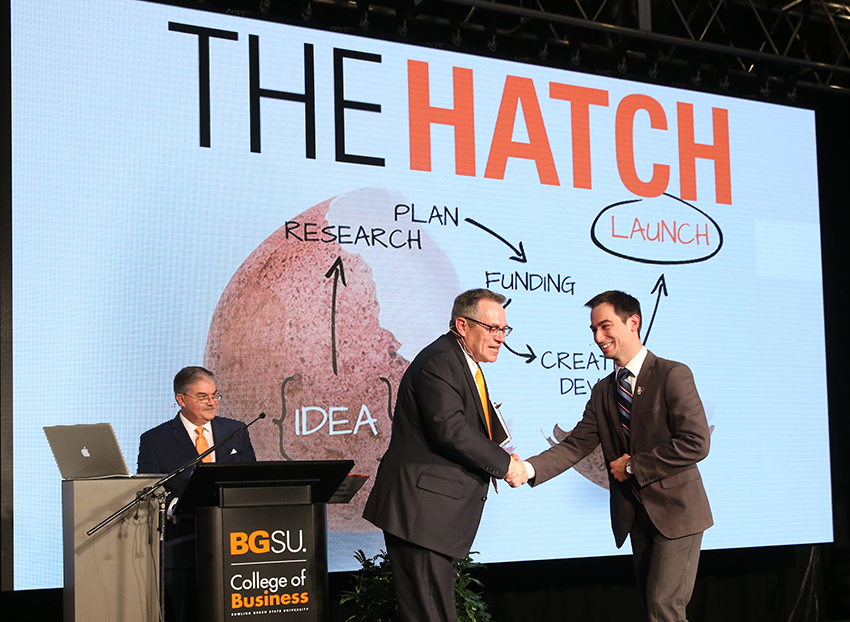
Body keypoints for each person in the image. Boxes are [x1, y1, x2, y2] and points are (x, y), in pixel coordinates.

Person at [507, 290, 712, 622]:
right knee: (654, 609)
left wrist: (632, 465)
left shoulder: (672, 374)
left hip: (678, 513)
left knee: (663, 609)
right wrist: (527, 469)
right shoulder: (604, 390)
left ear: (633, 323)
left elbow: (696, 442)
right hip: (637, 516)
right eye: (593, 330)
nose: (598, 337)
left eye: (605, 326)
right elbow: (575, 445)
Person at [363, 288, 527, 622]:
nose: (500, 338)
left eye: (503, 329)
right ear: (462, 325)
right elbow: (451, 429)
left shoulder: (461, 362)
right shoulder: (440, 361)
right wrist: (505, 465)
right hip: (423, 516)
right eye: (492, 328)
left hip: (432, 520)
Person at [137, 366, 256, 622]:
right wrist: (174, 506)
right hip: (182, 547)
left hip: (235, 546)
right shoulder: (155, 440)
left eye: (215, 395)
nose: (212, 402)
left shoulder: (236, 431)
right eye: (203, 397)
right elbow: (149, 489)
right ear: (181, 399)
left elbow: (251, 479)